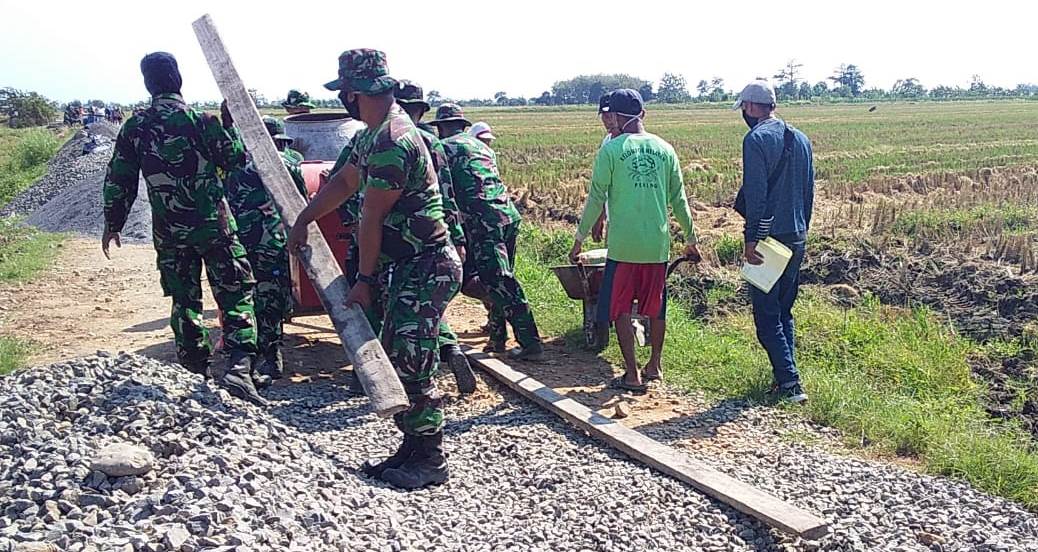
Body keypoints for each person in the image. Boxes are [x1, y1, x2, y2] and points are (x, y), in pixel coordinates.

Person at [289, 49, 462, 489]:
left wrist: (364, 281)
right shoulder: (369, 135)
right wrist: (305, 218)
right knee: (398, 353)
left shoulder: (392, 140)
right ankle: (412, 446)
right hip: (405, 266)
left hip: (426, 265)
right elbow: (344, 181)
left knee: (411, 356)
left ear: (357, 92)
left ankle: (431, 459)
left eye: (346, 91)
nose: (345, 98)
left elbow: (371, 218)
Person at [101, 52, 266, 406]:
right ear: (178, 78)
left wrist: (113, 223)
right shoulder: (201, 120)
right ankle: (239, 368)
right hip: (215, 227)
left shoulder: (136, 126)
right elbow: (235, 160)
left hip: (170, 231)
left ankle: (194, 369)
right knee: (235, 292)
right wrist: (229, 124)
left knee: (184, 299)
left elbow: (120, 178)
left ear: (148, 83)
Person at [569, 89, 700, 392]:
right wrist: (691, 239)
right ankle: (654, 365)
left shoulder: (611, 150)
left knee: (622, 309)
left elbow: (595, 199)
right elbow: (679, 199)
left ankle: (632, 374)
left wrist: (578, 240)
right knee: (656, 307)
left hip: (624, 248)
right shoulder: (666, 149)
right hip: (657, 246)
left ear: (614, 116)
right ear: (642, 114)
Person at [430, 104, 544, 361]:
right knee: (497, 277)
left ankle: (530, 343)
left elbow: (446, 194)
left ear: (442, 128)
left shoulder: (443, 149)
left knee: (500, 281)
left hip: (482, 220)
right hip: (507, 216)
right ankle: (497, 338)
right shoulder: (482, 147)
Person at [732, 80, 814, 404]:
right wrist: (801, 231)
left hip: (769, 239)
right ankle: (785, 379)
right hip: (797, 236)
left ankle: (791, 383)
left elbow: (756, 194)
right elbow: (809, 192)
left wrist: (751, 239)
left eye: (743, 108)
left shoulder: (755, 140)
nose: (743, 114)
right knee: (783, 312)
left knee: (766, 317)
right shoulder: (802, 139)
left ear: (752, 107)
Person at [394, 80, 477, 394]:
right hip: (437, 237)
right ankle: (450, 349)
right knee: (430, 305)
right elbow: (447, 195)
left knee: (395, 307)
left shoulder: (383, 140)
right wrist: (457, 238)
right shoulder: (434, 144)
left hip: (398, 241)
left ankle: (399, 378)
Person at [223, 117, 308, 386]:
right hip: (273, 242)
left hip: (240, 242)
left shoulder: (234, 164)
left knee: (244, 297)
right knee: (271, 300)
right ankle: (271, 358)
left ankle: (246, 357)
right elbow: (301, 203)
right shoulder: (289, 164)